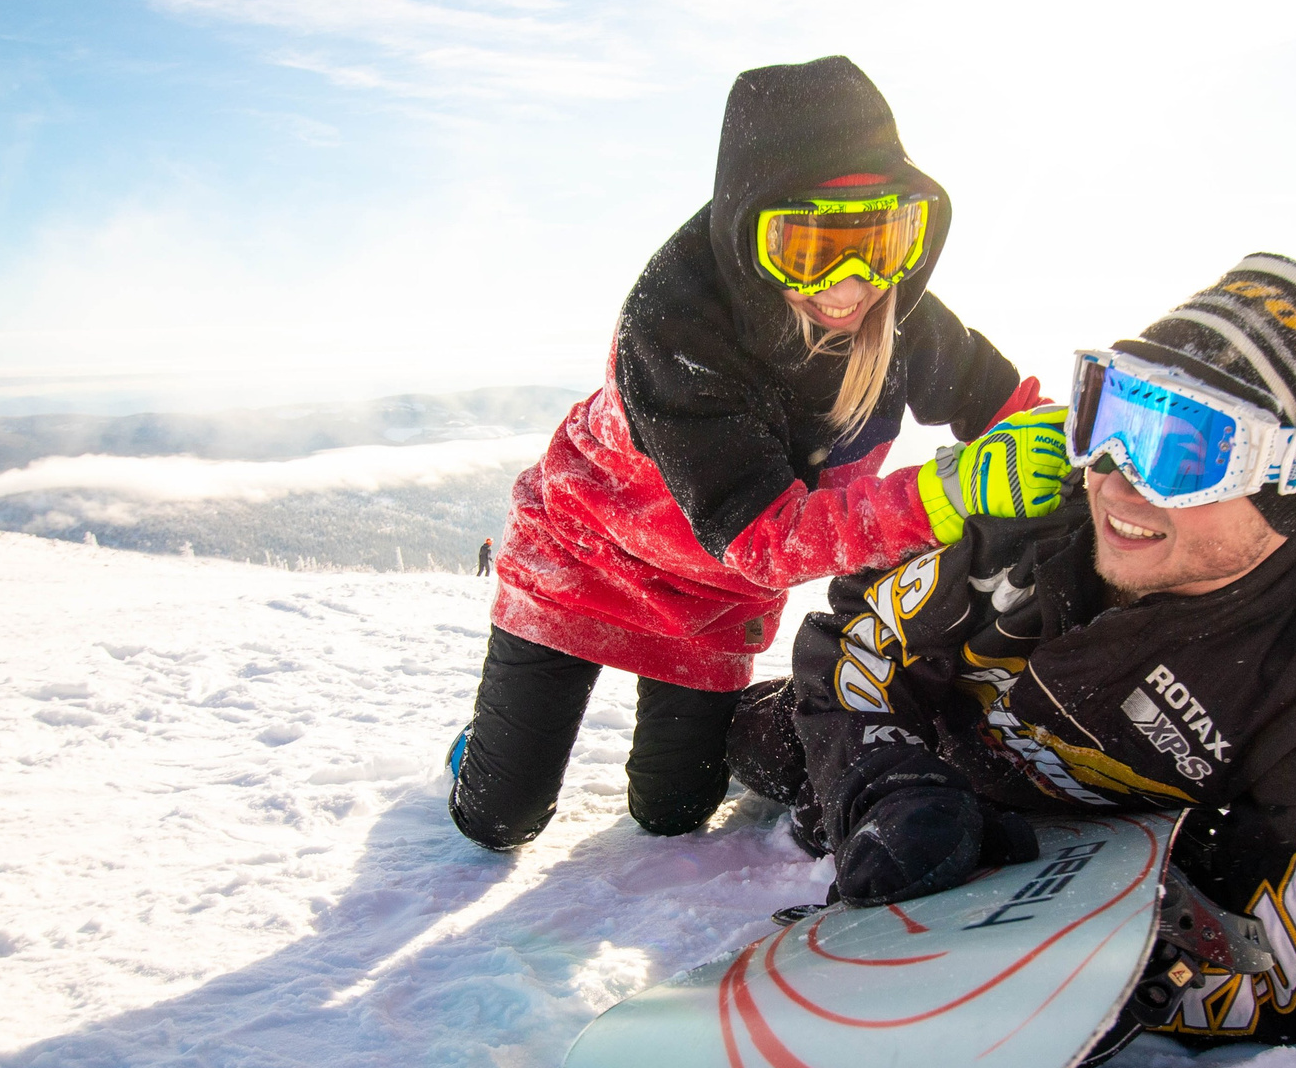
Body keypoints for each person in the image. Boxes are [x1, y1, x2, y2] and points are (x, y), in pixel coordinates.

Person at [730, 250, 1296, 1056]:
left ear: (1294, 483)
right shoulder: (1041, 518)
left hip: (1091, 850)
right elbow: (853, 641)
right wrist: (883, 784)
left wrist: (1119, 975)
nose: (1116, 482)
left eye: (1185, 453)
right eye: (1111, 422)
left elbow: (1284, 961)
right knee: (753, 737)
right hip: (944, 758)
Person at [450, 56, 1067, 850]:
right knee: (498, 821)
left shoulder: (900, 312)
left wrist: (1077, 456)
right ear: (750, 232)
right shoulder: (675, 327)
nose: (852, 286)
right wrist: (948, 492)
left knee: (672, 814)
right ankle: (483, 758)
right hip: (584, 561)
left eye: (879, 241)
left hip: (711, 606)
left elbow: (1013, 409)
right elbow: (766, 540)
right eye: (811, 251)